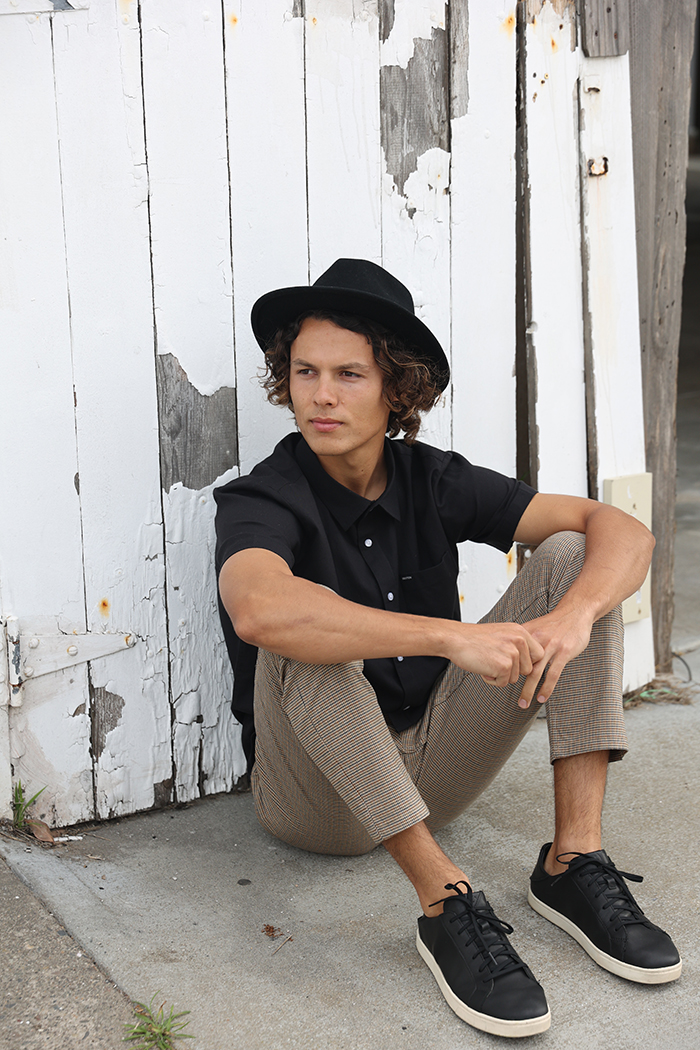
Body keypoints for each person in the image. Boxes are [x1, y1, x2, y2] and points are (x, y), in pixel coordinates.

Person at [214, 258, 681, 1038]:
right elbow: (260, 610)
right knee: (302, 629)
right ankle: (445, 902)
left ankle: (572, 863)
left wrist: (572, 618)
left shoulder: (432, 479)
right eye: (305, 372)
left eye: (349, 374)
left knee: (575, 558)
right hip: (316, 803)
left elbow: (623, 531)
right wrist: (450, 637)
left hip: (434, 769)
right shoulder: (263, 496)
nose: (320, 395)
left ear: (398, 389)